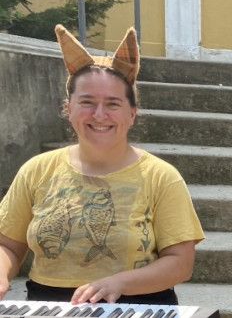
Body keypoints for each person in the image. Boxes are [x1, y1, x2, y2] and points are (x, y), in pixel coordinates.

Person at [0, 24, 205, 305]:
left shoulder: (161, 177)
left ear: (131, 114)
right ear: (68, 108)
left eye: (112, 104)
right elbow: (8, 245)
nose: (99, 114)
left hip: (136, 305)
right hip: (48, 307)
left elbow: (181, 263)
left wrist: (118, 283)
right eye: (87, 102)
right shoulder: (36, 170)